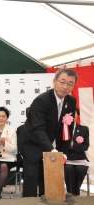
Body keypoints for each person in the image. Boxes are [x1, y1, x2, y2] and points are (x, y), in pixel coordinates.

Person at [18, 68, 78, 197]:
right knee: (31, 177)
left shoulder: (71, 101)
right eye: (62, 82)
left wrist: (64, 152)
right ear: (54, 81)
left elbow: (66, 127)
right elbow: (37, 129)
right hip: (32, 144)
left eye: (70, 84)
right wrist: (51, 149)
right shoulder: (42, 100)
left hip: (50, 146)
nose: (65, 86)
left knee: (48, 179)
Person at [59, 108, 90, 196]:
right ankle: (70, 192)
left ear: (77, 115)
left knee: (80, 169)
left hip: (80, 158)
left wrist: (73, 145)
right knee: (68, 168)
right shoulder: (64, 129)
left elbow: (85, 146)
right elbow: (61, 145)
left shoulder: (84, 129)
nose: (73, 115)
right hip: (67, 158)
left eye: (75, 113)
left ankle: (76, 192)